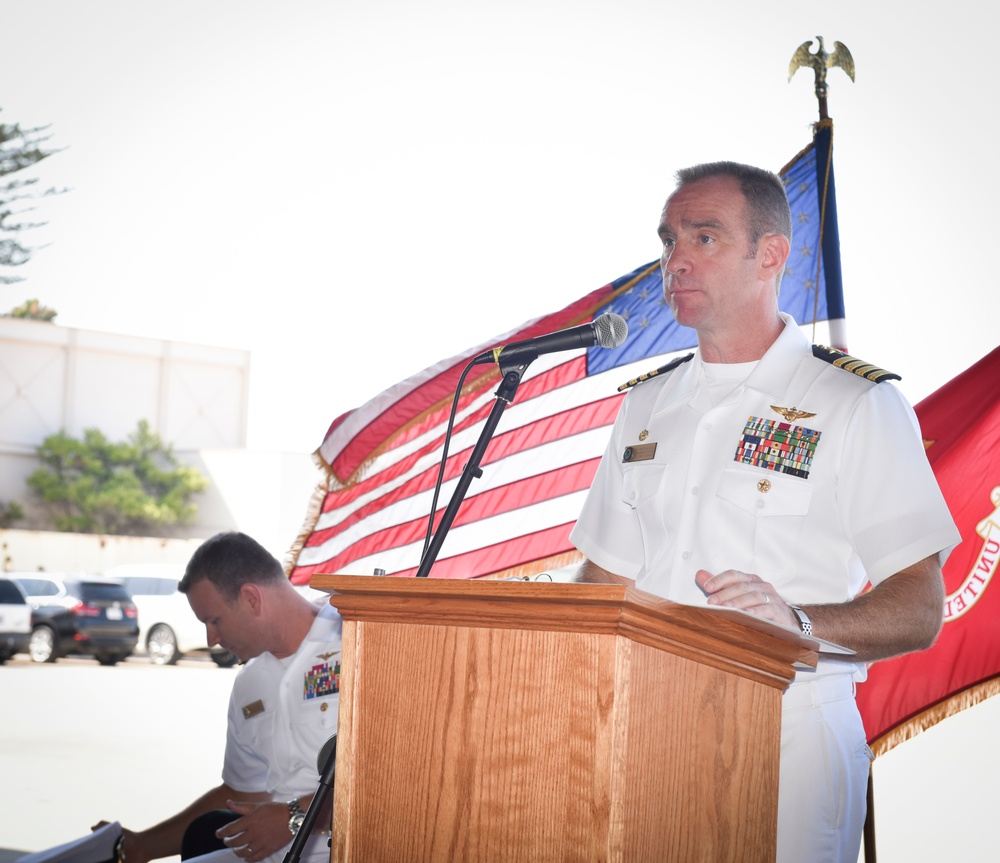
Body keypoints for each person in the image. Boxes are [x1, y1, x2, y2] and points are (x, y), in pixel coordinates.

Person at [569, 161, 960, 863]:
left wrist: (797, 622)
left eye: (705, 236)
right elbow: (602, 586)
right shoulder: (644, 407)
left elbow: (919, 607)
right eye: (669, 239)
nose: (676, 258)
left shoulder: (854, 403)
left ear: (771, 254)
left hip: (788, 738)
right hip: (645, 735)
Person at [95, 531, 342, 863]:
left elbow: (394, 780)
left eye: (214, 620)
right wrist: (142, 846)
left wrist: (294, 818)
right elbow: (243, 790)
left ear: (252, 598)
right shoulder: (250, 684)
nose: (211, 638)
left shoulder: (355, 642)